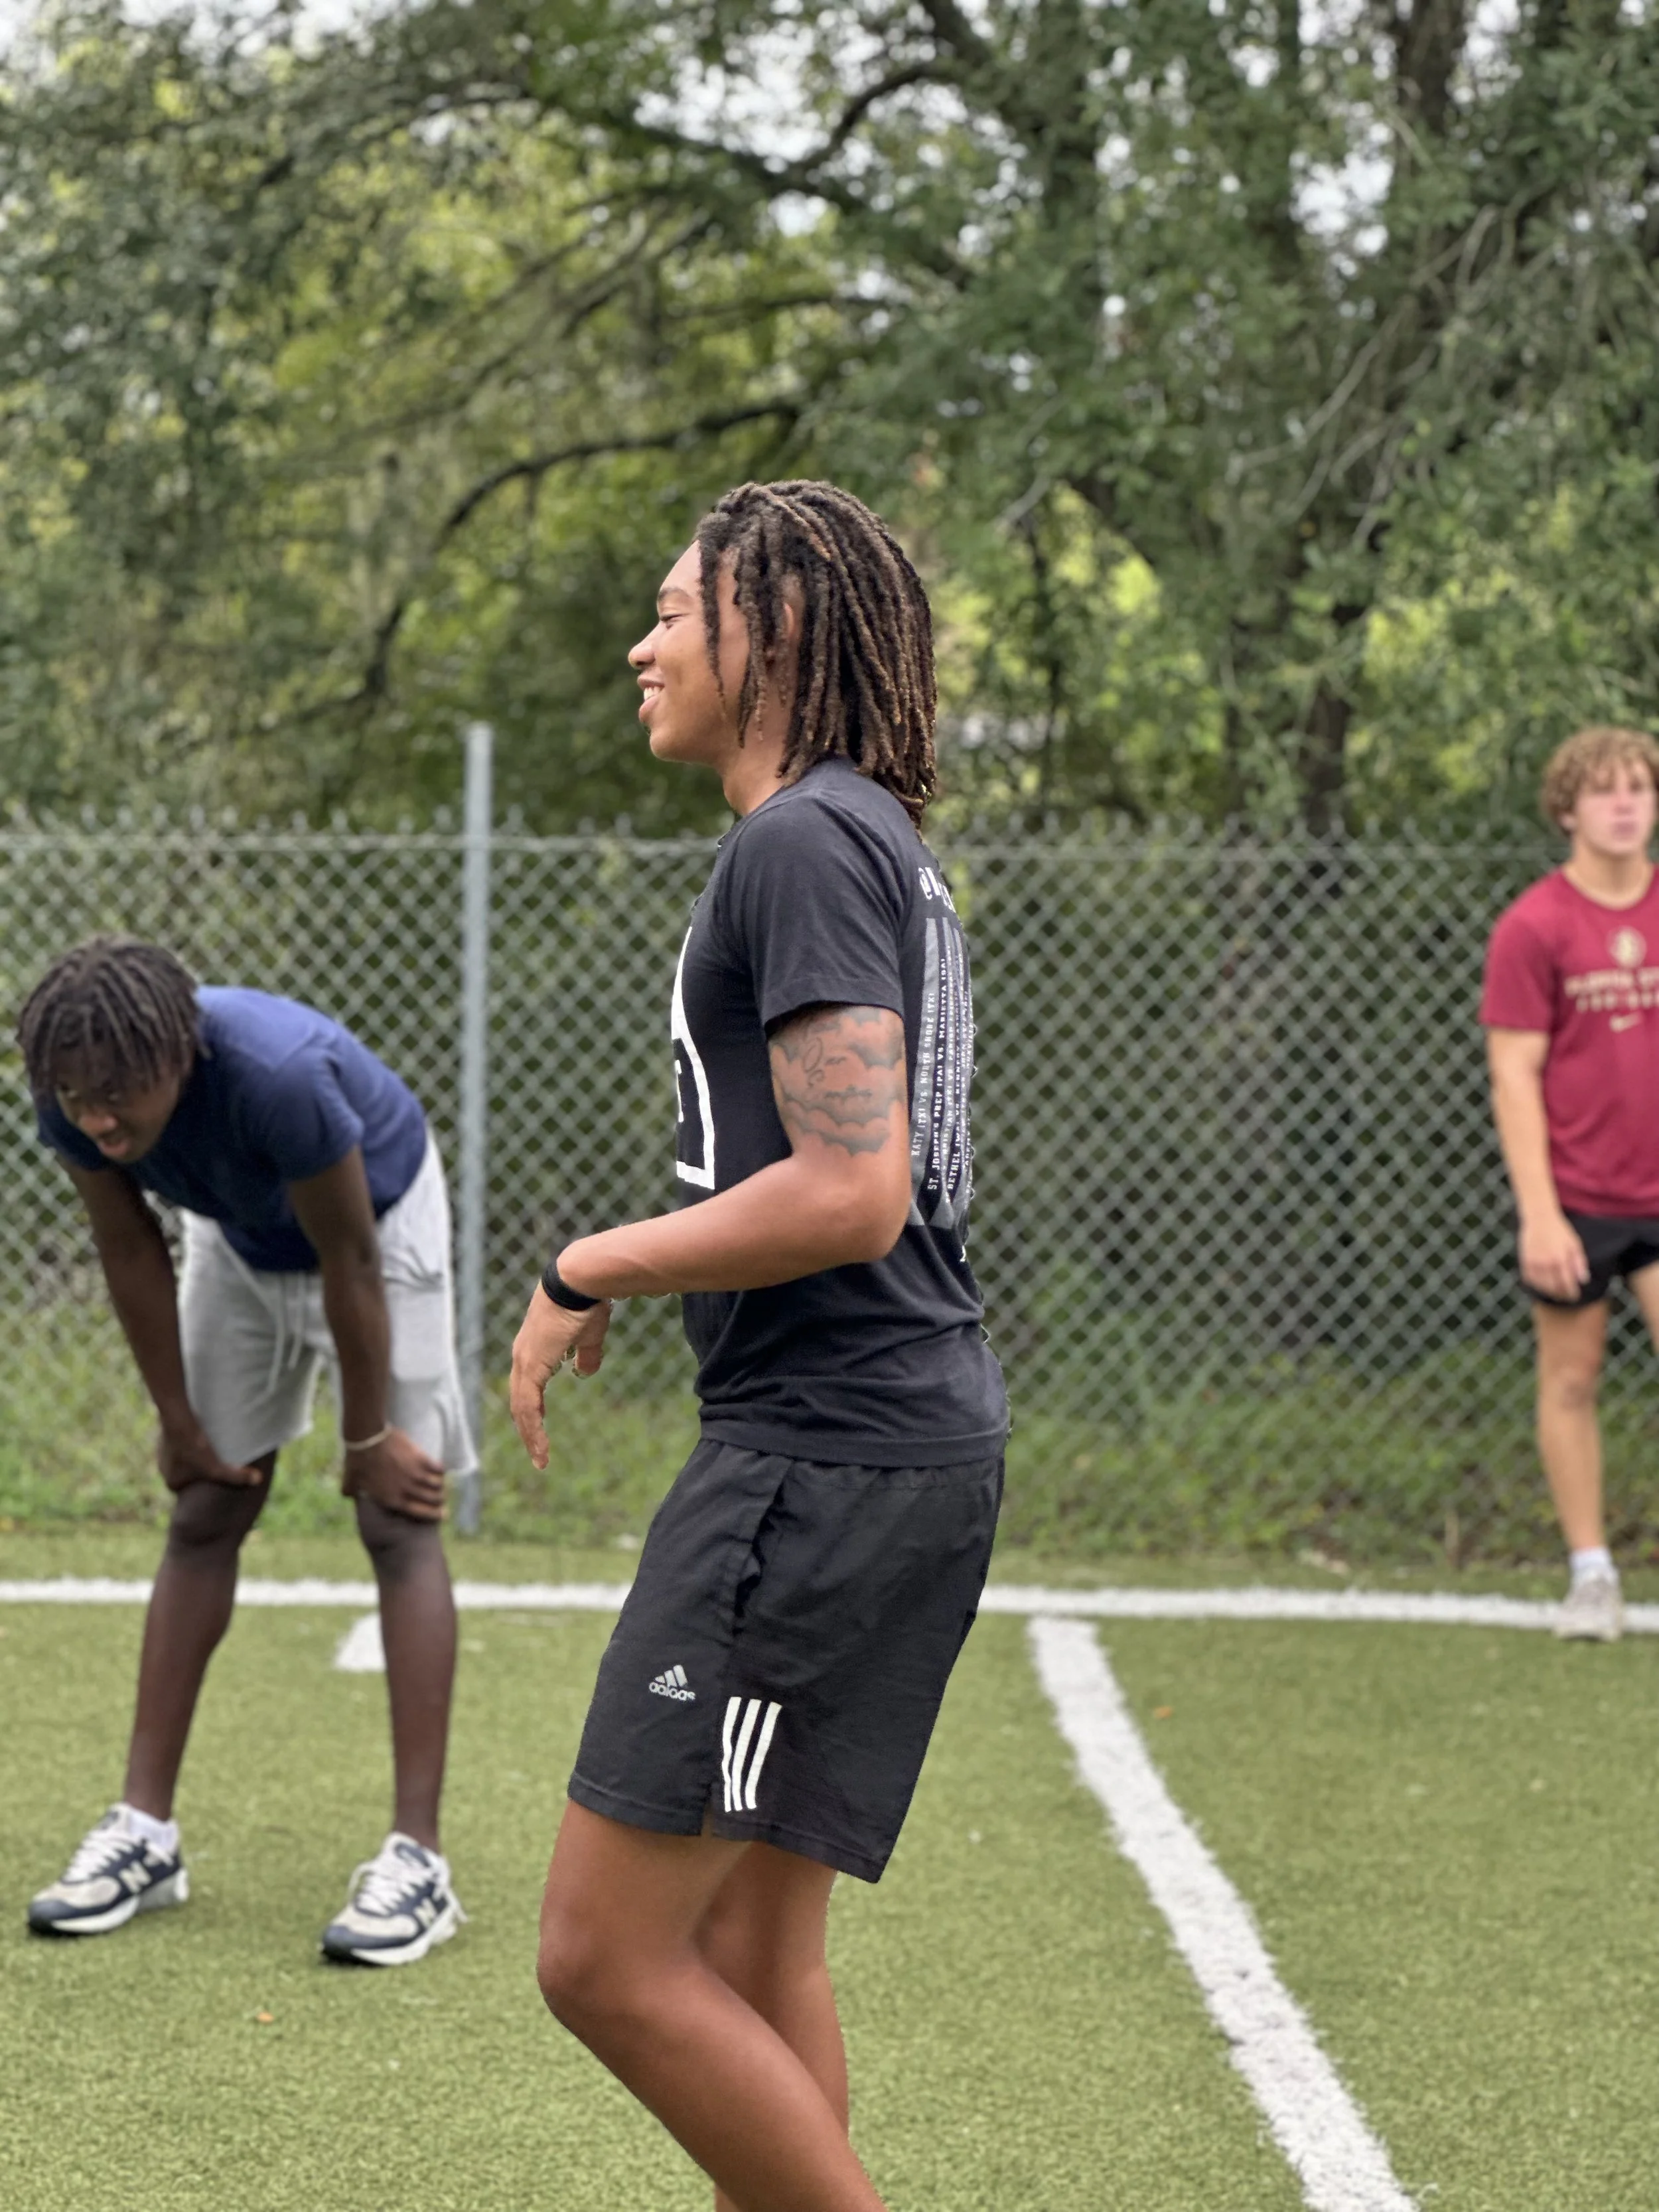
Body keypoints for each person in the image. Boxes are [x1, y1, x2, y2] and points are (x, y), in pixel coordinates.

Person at [509, 480, 1008, 2212]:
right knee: (745, 1936)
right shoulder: (869, 834)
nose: (639, 643)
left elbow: (850, 1190)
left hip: (817, 1465)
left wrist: (587, 1265)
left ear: (773, 627)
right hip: (906, 1451)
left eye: (671, 609)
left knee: (600, 1953)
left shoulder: (794, 839)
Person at [19, 939, 472, 1960]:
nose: (98, 1118)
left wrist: (366, 1440)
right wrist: (176, 1418)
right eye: (79, 1098)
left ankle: (419, 1862)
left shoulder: (281, 1076)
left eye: (120, 1095)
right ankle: (144, 1833)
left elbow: (350, 1261)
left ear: (181, 1054)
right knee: (208, 1507)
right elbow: (128, 1245)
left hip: (382, 1233)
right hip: (236, 1237)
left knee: (395, 1519)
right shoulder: (72, 1079)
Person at [1482, 724, 1659, 1641]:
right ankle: (1593, 1577)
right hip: (1580, 1199)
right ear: (1568, 810)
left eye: (1638, 787)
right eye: (1605, 790)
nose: (1625, 804)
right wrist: (1541, 1214)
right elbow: (1514, 1074)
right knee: (1573, 1378)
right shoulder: (1535, 925)